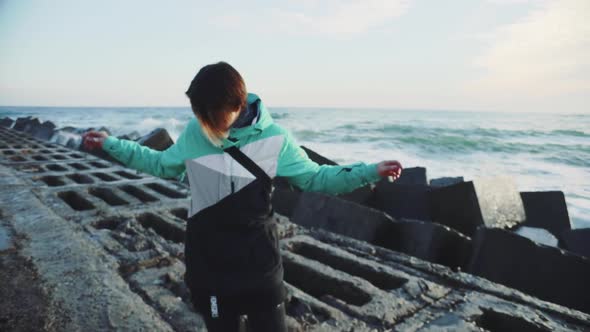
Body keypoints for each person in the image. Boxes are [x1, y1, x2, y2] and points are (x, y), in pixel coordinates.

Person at [82, 61, 402, 332]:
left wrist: (370, 171)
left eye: (210, 114)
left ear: (237, 105)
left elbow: (316, 178)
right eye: (199, 112)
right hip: (209, 264)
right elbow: (160, 163)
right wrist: (111, 143)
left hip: (259, 264)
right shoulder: (197, 131)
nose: (203, 121)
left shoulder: (276, 140)